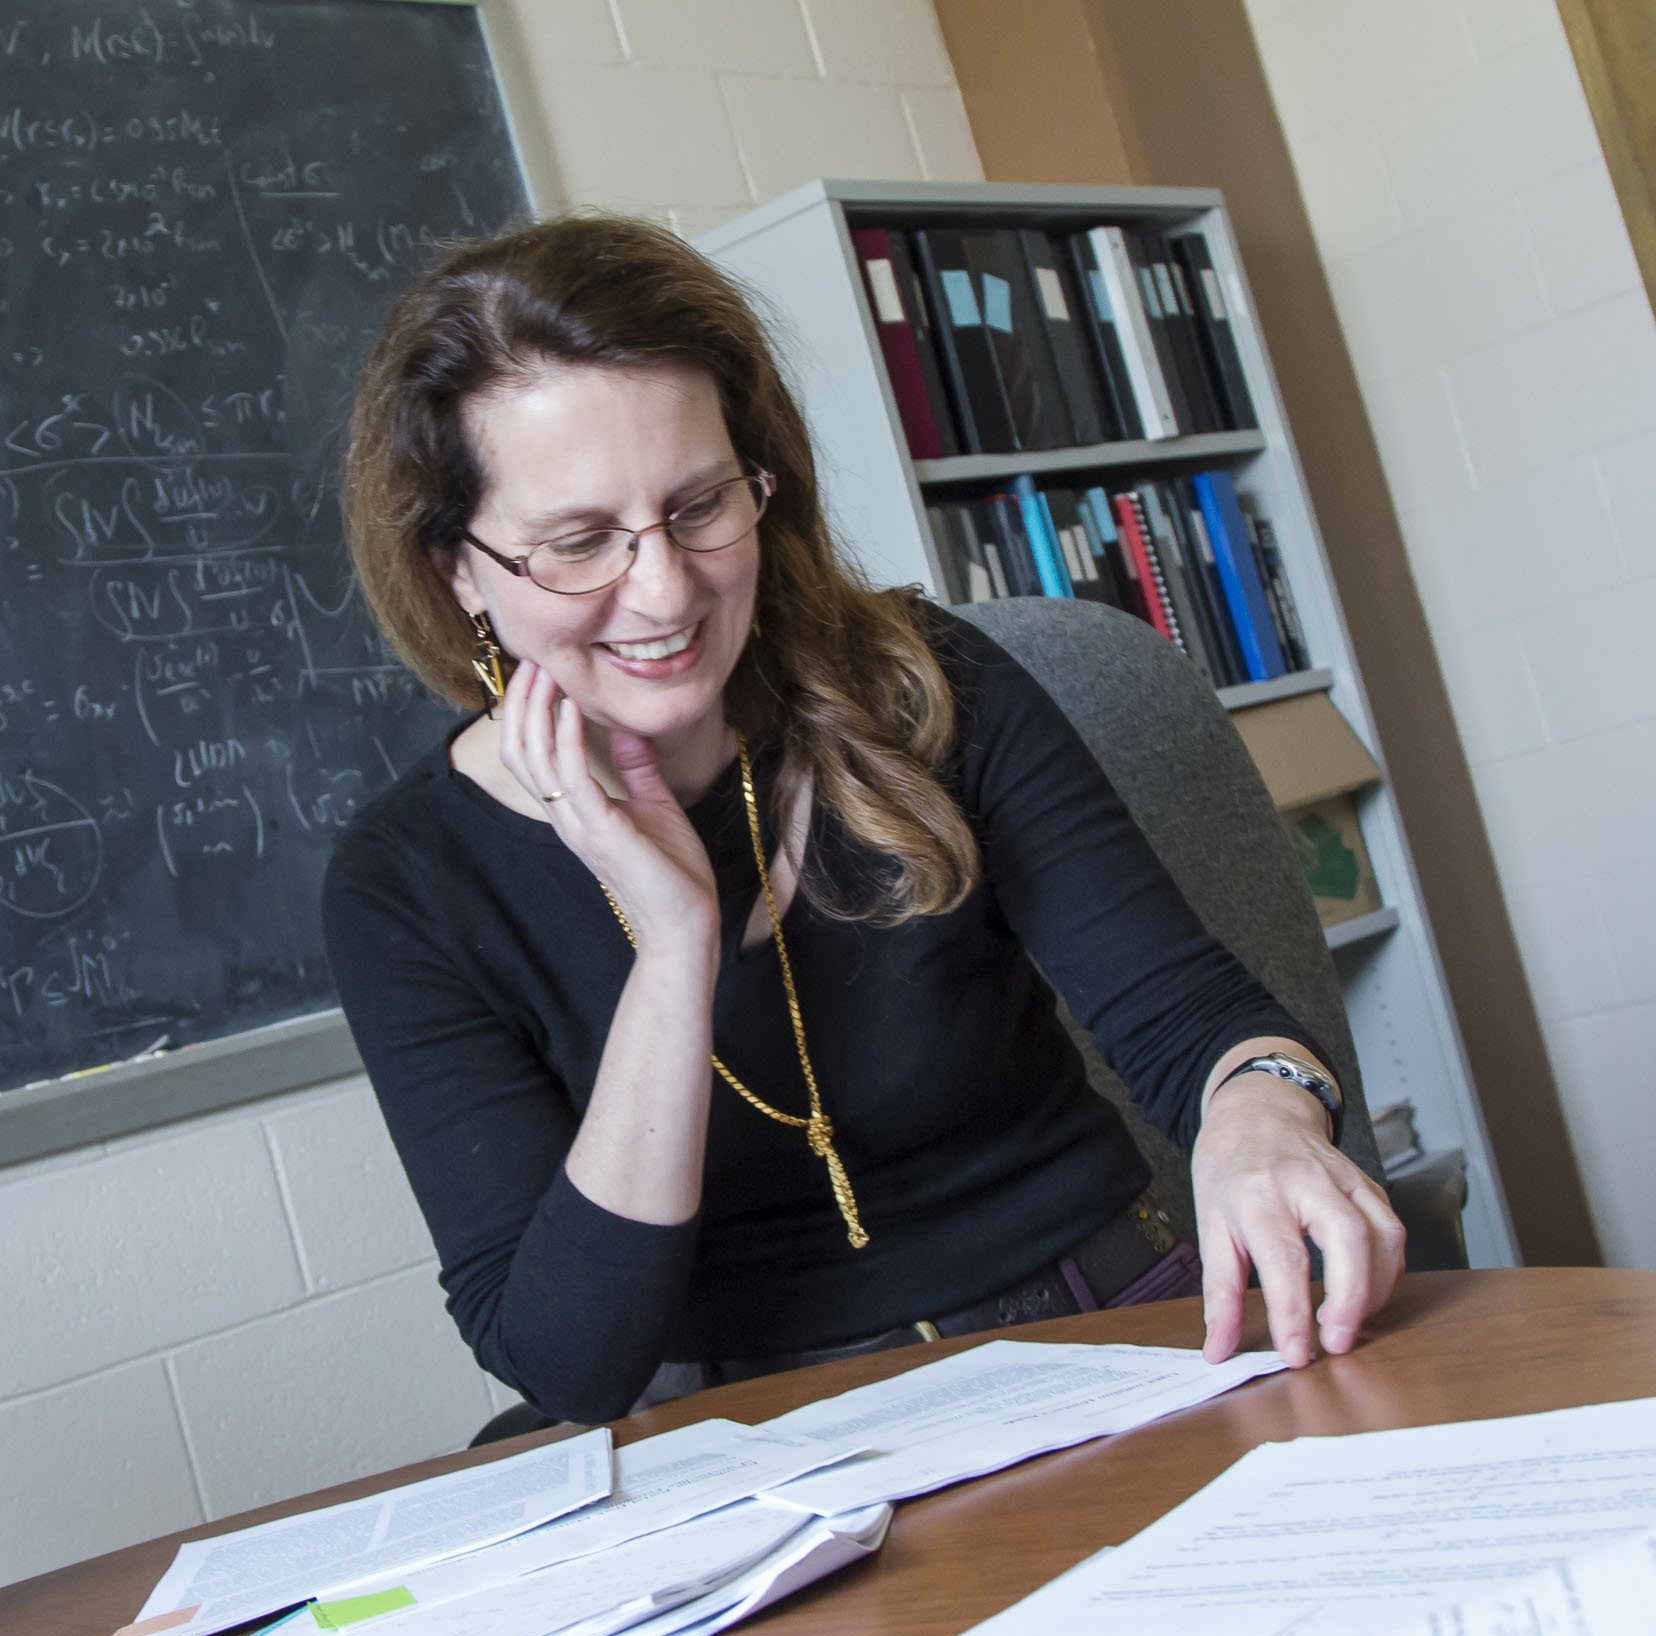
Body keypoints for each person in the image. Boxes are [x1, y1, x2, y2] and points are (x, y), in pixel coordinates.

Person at [324, 215, 1402, 1429]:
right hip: (762, 1450)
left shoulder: (924, 686)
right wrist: (677, 951)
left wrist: (1258, 1112)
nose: (666, 588)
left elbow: (1192, 1017)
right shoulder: (407, 881)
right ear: (455, 568)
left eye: (699, 506)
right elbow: (570, 1364)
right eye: (579, 542)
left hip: (1107, 1340)